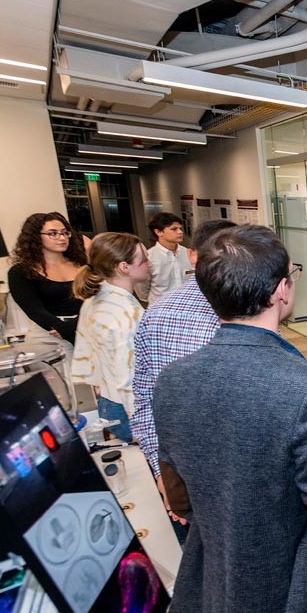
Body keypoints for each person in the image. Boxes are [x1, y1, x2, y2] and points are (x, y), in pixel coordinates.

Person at [155, 225, 307, 613]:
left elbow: (179, 496)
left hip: (221, 573)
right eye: (293, 274)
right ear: (280, 291)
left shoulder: (172, 379)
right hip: (293, 583)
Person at [131, 219, 235, 528]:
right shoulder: (159, 316)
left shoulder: (248, 306)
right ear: (193, 256)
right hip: (191, 466)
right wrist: (162, 474)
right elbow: (145, 402)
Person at [70, 232, 150, 443]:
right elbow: (128, 374)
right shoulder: (123, 312)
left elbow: (85, 352)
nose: (149, 263)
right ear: (124, 267)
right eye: (144, 260)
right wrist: (141, 424)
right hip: (127, 409)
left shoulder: (95, 298)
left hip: (108, 401)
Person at [7, 212, 88, 345]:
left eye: (64, 232)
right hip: (50, 335)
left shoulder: (82, 265)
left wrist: (75, 324)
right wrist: (63, 329)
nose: (62, 238)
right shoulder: (20, 272)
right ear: (35, 237)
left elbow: (96, 299)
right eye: (53, 233)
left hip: (86, 327)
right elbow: (35, 311)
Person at [138, 212, 193, 305]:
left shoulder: (188, 254)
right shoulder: (148, 257)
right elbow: (142, 290)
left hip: (188, 308)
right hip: (160, 311)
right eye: (174, 229)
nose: (180, 232)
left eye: (180, 228)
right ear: (158, 232)